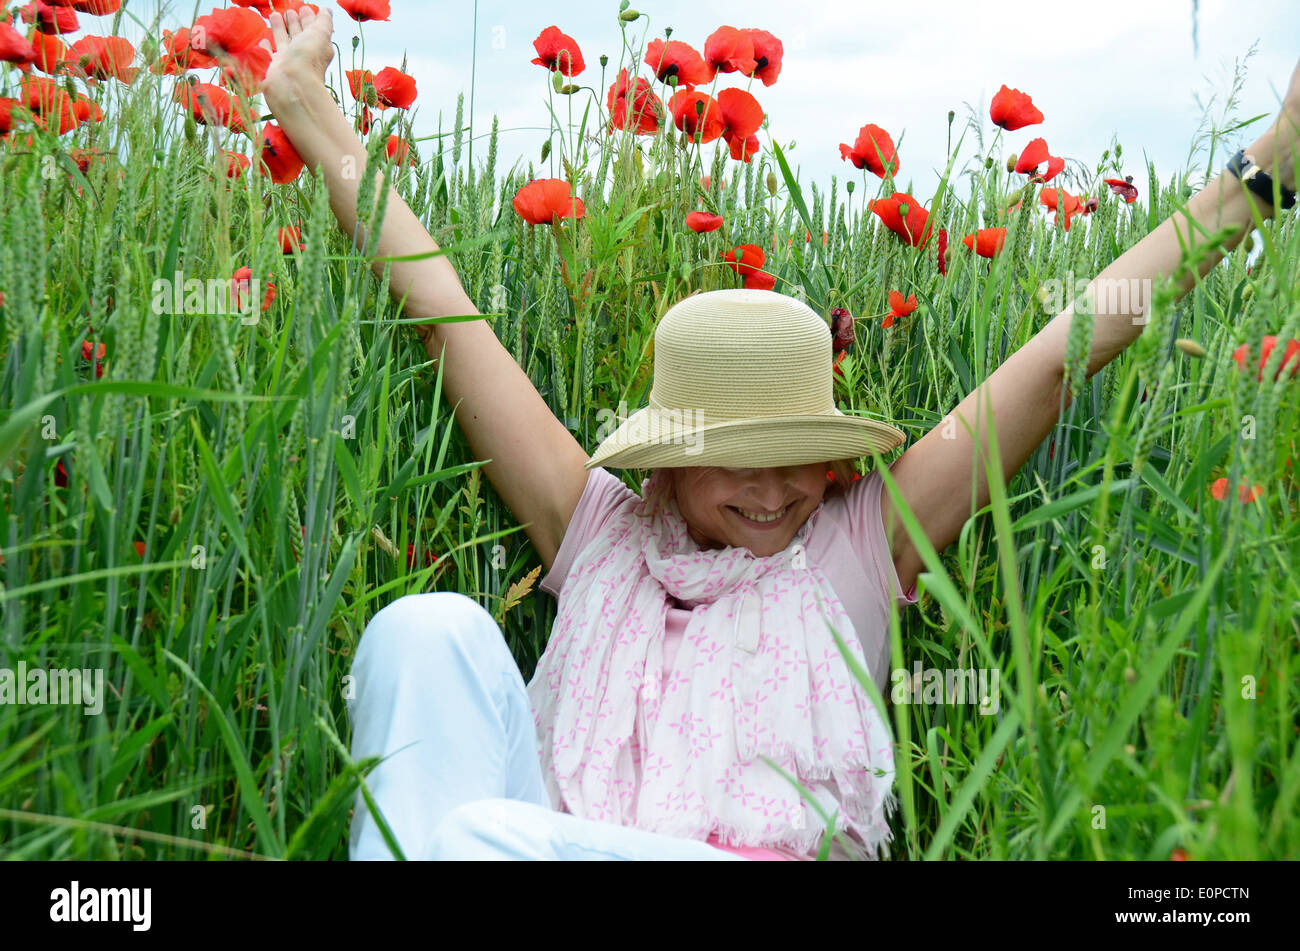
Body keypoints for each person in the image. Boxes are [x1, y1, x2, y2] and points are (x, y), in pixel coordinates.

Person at [258, 8, 1299, 860]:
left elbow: (1060, 352)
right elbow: (450, 320)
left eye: (802, 447)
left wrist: (1262, 176)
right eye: (736, 455)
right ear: (667, 457)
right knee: (424, 632)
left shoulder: (853, 548)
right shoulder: (597, 528)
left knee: (480, 840)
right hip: (534, 842)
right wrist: (318, 126)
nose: (778, 486)